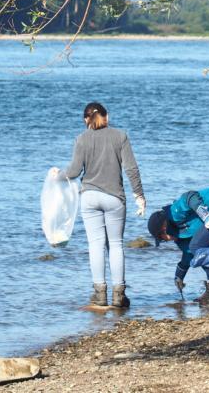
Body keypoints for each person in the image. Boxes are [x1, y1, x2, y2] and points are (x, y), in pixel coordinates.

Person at [52, 102, 146, 308]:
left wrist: (57, 176)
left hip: (90, 197)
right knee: (116, 244)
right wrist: (139, 195)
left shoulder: (81, 139)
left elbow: (74, 171)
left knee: (95, 245)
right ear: (107, 116)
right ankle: (119, 295)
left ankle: (99, 294)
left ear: (86, 120)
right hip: (114, 198)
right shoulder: (120, 136)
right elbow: (131, 168)